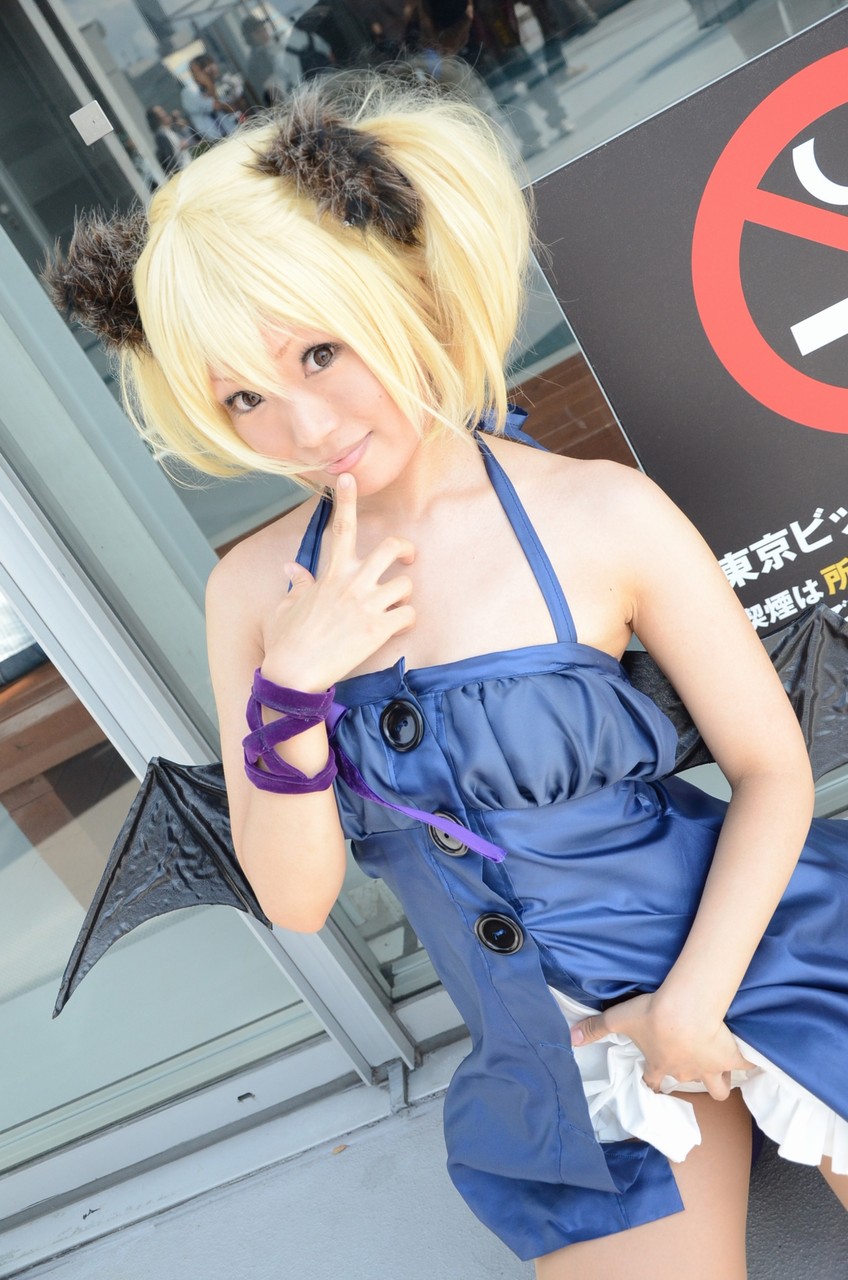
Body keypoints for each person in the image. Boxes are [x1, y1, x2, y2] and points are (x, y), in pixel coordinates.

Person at [44, 73, 847, 1277]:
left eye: (321, 351)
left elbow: (769, 769)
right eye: (243, 396)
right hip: (556, 1051)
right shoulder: (254, 591)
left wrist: (691, 1000)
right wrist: (291, 684)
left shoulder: (599, 514)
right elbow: (297, 897)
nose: (302, 427)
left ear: (405, 294)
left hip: (754, 936)